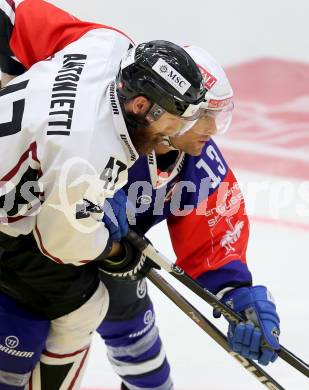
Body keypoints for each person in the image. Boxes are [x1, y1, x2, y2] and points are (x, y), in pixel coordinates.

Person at [2, 30, 281, 390]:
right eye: (203, 115)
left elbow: (213, 240)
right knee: (31, 327)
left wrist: (237, 294)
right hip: (35, 235)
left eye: (218, 115)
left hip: (81, 241)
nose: (211, 130)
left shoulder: (194, 157)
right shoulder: (98, 141)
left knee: (131, 317)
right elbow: (22, 22)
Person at [0, 0, 206, 388]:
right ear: (142, 105)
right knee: (86, 307)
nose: (176, 131)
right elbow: (60, 244)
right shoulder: (90, 151)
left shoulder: (108, 45)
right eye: (174, 119)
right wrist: (115, 251)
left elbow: (19, 11)